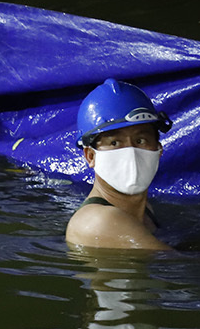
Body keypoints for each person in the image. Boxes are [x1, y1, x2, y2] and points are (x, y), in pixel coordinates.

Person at [64, 78, 173, 251]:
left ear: (159, 150)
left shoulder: (145, 210)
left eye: (140, 140)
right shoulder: (97, 221)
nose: (131, 152)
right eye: (115, 143)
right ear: (90, 156)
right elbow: (179, 266)